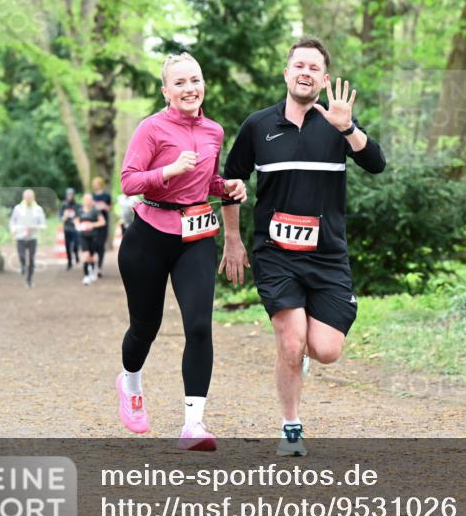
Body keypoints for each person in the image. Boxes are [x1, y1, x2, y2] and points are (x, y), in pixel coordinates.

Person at [220, 37, 386, 456]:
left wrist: (348, 127)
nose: (305, 73)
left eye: (314, 68)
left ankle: (302, 358)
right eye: (299, 66)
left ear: (324, 79)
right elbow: (229, 184)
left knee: (326, 350)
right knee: (290, 342)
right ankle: (291, 428)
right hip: (275, 254)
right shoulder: (258, 126)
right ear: (286, 73)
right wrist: (234, 240)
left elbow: (377, 164)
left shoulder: (337, 125)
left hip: (328, 255)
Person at [117, 53, 246, 451]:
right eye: (180, 83)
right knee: (145, 328)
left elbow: (204, 181)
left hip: (195, 237)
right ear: (166, 91)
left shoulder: (213, 130)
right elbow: (128, 181)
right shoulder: (151, 129)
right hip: (149, 235)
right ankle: (130, 382)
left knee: (199, 326)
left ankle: (194, 424)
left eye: (195, 80)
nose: (190, 89)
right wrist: (168, 171)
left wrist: (227, 188)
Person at [9, 189, 46, 288]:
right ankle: (23, 265)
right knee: (21, 256)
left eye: (30, 197)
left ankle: (29, 280)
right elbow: (12, 222)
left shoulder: (38, 209)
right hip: (20, 236)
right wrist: (14, 230)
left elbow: (43, 224)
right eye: (27, 197)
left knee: (31, 259)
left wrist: (34, 228)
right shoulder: (18, 209)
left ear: (33, 198)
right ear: (23, 198)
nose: (28, 199)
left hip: (33, 238)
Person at [75, 193, 104, 285]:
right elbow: (76, 221)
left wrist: (92, 225)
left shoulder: (95, 211)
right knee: (86, 255)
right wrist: (78, 226)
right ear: (83, 201)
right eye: (86, 200)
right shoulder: (80, 210)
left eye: (89, 200)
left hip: (93, 236)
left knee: (91, 256)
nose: (87, 202)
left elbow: (102, 222)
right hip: (83, 236)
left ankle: (92, 270)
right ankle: (86, 276)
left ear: (92, 201)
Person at [91, 177, 112, 277]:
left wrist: (104, 206)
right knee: (93, 245)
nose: (95, 185)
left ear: (100, 184)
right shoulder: (91, 196)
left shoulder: (106, 196)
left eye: (96, 183)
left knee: (101, 245)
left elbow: (110, 208)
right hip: (93, 224)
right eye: (94, 183)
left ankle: (99, 267)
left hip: (104, 224)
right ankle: (92, 265)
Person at [59, 188, 80, 270]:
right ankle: (69, 262)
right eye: (68, 195)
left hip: (75, 228)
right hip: (67, 228)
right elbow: (60, 217)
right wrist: (64, 216)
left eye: (71, 195)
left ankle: (76, 254)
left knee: (76, 245)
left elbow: (80, 215)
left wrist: (77, 219)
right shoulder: (64, 205)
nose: (69, 196)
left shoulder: (77, 205)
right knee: (67, 246)